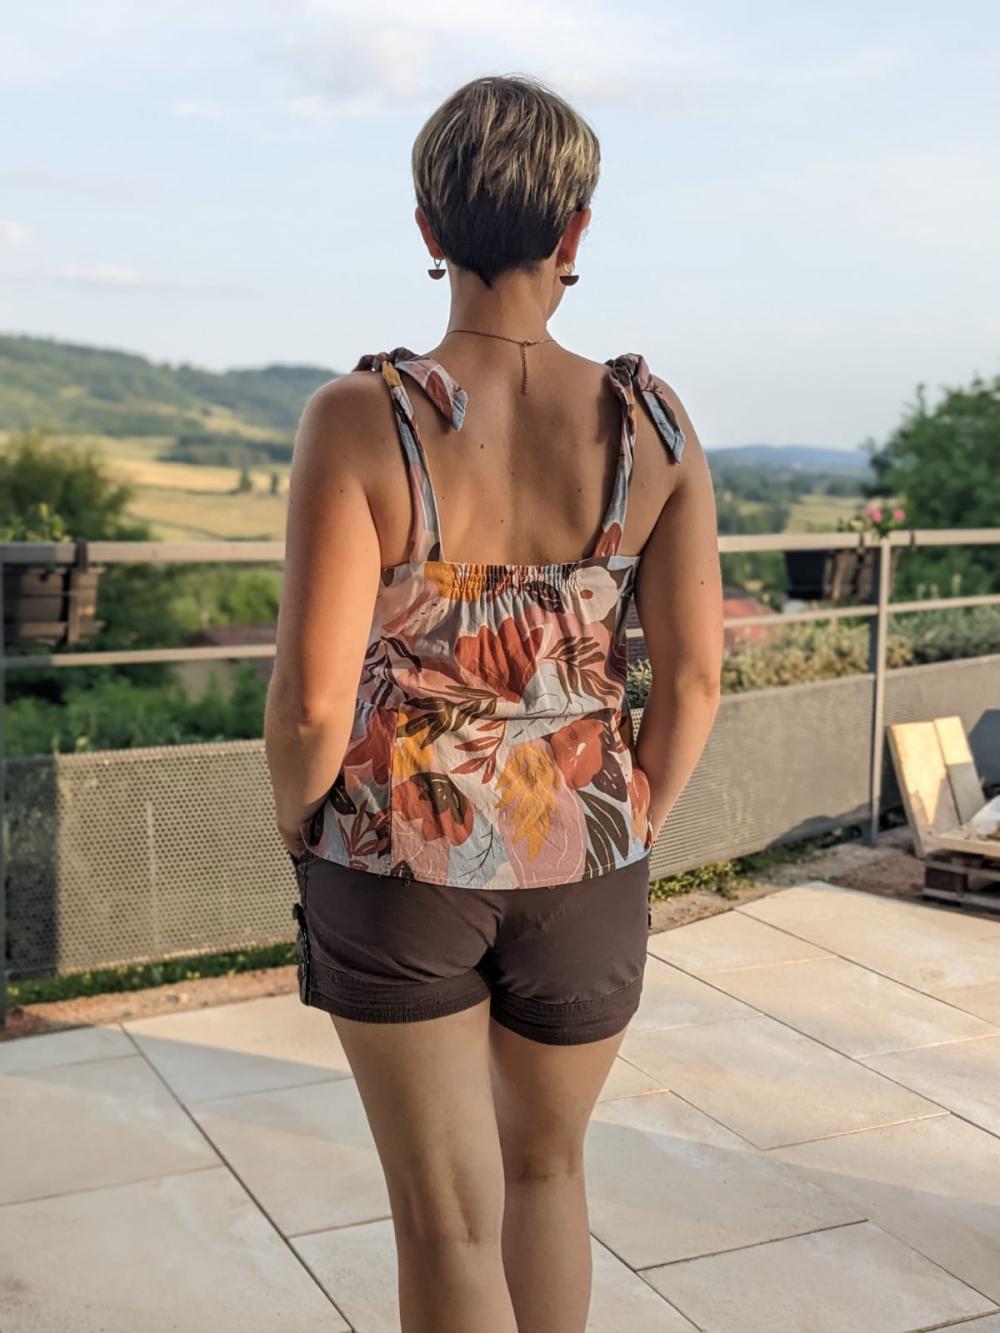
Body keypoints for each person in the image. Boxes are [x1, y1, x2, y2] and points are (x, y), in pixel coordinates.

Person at [264, 72, 723, 1333]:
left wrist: (303, 822)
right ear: (575, 230)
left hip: (396, 860)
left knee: (446, 1220)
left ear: (428, 228)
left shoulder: (360, 418)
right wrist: (629, 818)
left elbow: (309, 702)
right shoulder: (654, 424)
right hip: (586, 854)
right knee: (548, 1172)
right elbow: (692, 677)